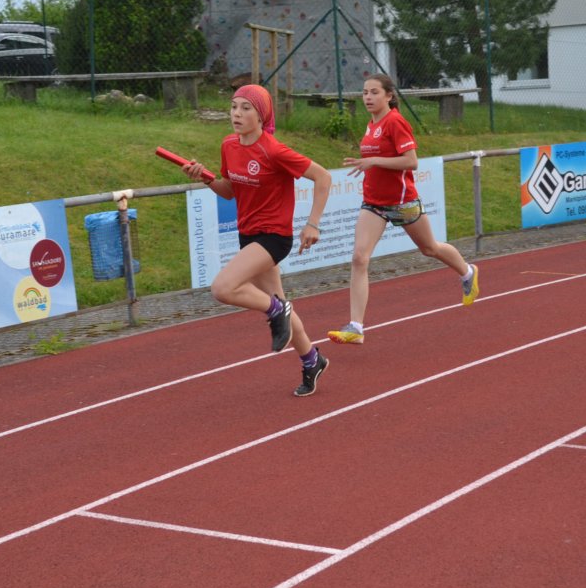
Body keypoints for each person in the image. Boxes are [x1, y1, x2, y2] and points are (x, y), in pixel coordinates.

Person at [181, 84, 333, 396]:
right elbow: (229, 191)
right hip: (248, 235)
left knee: (223, 288)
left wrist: (313, 224)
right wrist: (205, 177)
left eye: (245, 108)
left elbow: (323, 177)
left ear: (261, 116)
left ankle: (275, 310)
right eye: (233, 107)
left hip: (274, 236)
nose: (236, 113)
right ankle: (312, 360)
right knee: (283, 305)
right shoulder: (229, 145)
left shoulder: (273, 151)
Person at [327, 73, 479, 346]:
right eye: (365, 92)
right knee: (359, 258)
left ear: (389, 95)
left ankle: (468, 272)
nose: (368, 97)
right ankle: (356, 327)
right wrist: (369, 163)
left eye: (374, 92)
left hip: (402, 202)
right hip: (373, 203)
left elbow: (411, 162)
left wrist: (374, 160)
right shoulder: (371, 124)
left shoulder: (395, 122)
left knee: (429, 248)